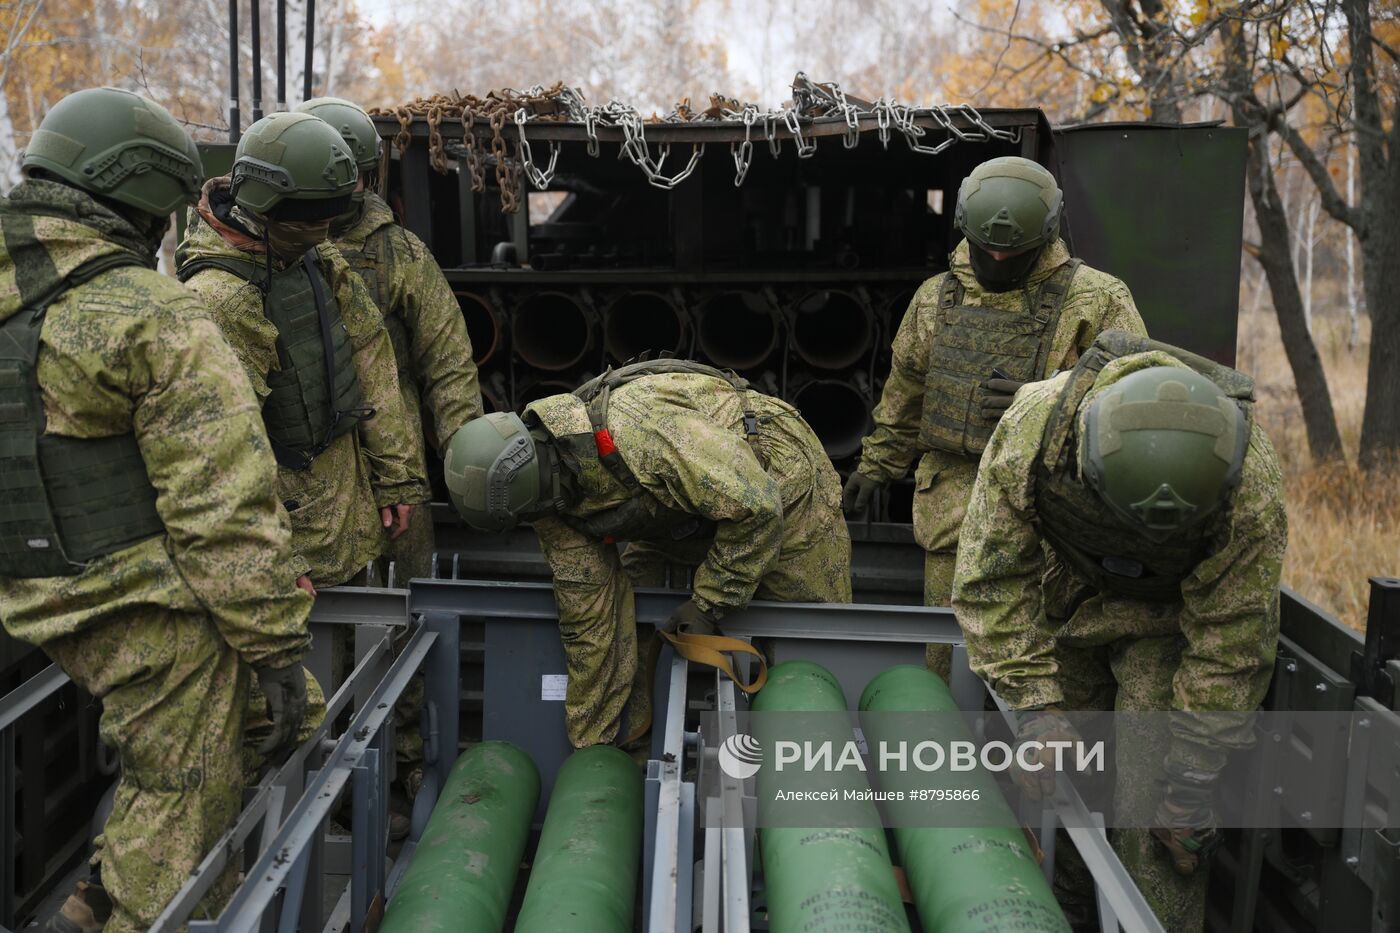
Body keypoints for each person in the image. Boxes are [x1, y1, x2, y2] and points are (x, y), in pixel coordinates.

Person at [0, 88, 316, 933]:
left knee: (190, 751)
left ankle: (95, 889)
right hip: (143, 608)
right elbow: (224, 514)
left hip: (28, 595)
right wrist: (278, 646)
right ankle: (140, 903)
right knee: (188, 807)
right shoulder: (152, 314)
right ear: (140, 194)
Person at [951, 330, 1288, 930]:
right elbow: (991, 580)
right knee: (1053, 786)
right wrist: (1035, 708)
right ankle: (1064, 916)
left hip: (1171, 628)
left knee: (1159, 828)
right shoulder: (1036, 429)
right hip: (1066, 604)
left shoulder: (1251, 486)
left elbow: (1230, 641)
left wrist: (1189, 781)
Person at [842, 156, 1147, 678]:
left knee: (1044, 661)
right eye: (988, 249)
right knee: (946, 656)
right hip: (952, 509)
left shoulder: (1096, 299)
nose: (999, 259)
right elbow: (908, 393)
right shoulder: (936, 298)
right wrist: (876, 466)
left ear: (1044, 236)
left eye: (1014, 252)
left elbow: (1135, 404)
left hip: (1051, 512)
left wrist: (1048, 402)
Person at [443, 360, 852, 749]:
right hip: (681, 505)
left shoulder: (640, 433)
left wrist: (709, 602)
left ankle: (813, 771)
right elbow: (590, 620)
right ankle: (631, 750)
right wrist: (590, 741)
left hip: (781, 483)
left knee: (812, 649)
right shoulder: (549, 501)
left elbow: (758, 506)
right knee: (635, 629)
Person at [177, 112, 426, 592]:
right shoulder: (220, 301)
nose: (325, 228)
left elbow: (369, 347)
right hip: (288, 548)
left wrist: (396, 475)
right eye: (315, 218)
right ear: (273, 206)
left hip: (346, 520)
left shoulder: (304, 251)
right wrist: (275, 557)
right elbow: (217, 451)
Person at [295, 96, 482, 583]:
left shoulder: (398, 252)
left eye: (351, 176)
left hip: (393, 441)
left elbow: (448, 362)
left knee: (406, 588)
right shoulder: (269, 251)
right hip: (307, 443)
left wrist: (466, 460)